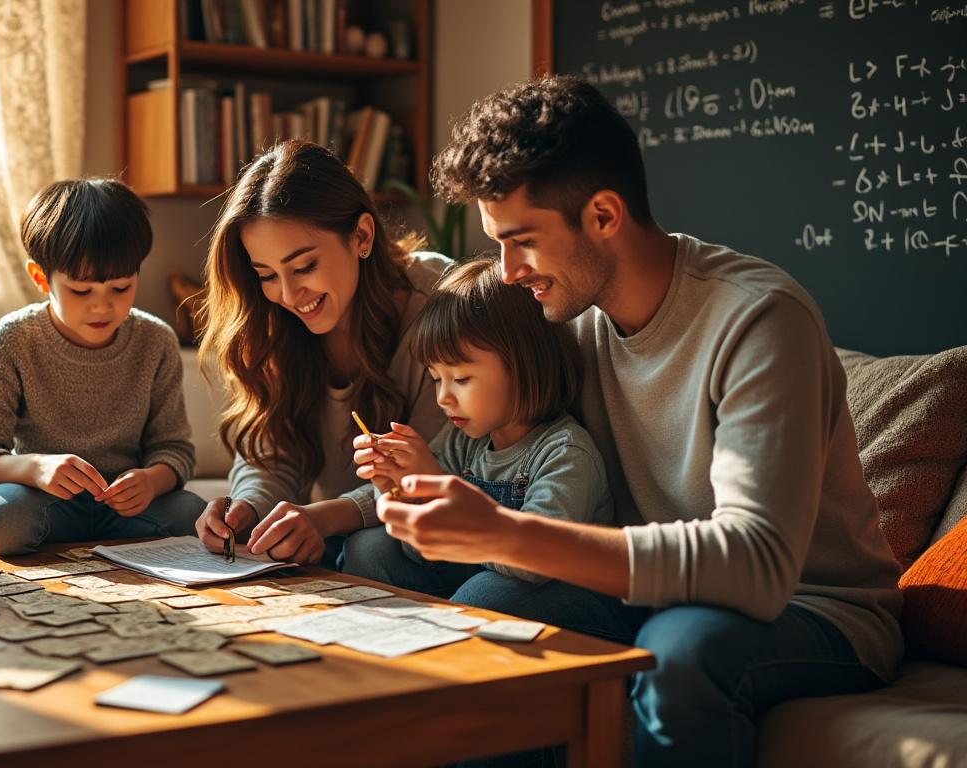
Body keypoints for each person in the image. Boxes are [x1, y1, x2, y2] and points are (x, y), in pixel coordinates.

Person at [374, 75, 903, 766]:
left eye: (522, 241)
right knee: (486, 616)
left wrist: (505, 531)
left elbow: (757, 564)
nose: (506, 273)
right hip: (643, 593)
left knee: (681, 652)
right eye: (497, 244)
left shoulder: (759, 320)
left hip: (812, 609)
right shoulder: (566, 319)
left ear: (602, 215)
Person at [193, 140, 450, 566]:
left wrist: (325, 518)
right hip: (331, 531)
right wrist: (248, 508)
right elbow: (271, 450)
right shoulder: (274, 318)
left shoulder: (441, 303)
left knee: (371, 551)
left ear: (362, 236)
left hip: (417, 532)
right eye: (267, 275)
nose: (290, 295)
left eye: (304, 267)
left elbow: (442, 467)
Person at [0, 178, 205, 555]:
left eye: (120, 288)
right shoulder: (12, 339)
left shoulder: (156, 341)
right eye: (81, 291)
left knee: (194, 515)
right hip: (43, 501)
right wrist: (35, 468)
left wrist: (152, 481)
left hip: (126, 511)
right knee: (3, 518)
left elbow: (174, 450)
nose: (102, 307)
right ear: (41, 278)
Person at [343, 254, 614, 600]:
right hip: (480, 566)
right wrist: (399, 489)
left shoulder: (565, 453)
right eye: (435, 379)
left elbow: (531, 565)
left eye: (460, 378)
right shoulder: (463, 441)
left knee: (485, 594)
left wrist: (439, 483)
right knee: (367, 549)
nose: (443, 397)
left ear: (523, 364)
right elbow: (423, 552)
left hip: (562, 588)